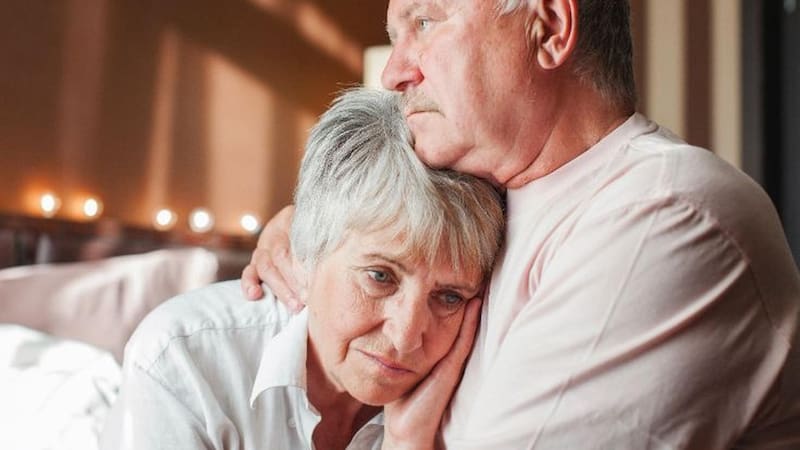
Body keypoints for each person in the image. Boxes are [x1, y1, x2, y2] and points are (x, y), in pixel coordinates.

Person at [241, 0, 800, 448]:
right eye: (395, 36)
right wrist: (312, 233)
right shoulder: (498, 201)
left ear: (549, 27)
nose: (393, 73)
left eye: (425, 22)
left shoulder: (662, 214)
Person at [100, 88, 504, 450]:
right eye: (380, 277)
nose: (406, 337)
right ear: (304, 255)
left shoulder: (488, 379)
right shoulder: (182, 360)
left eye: (448, 297)